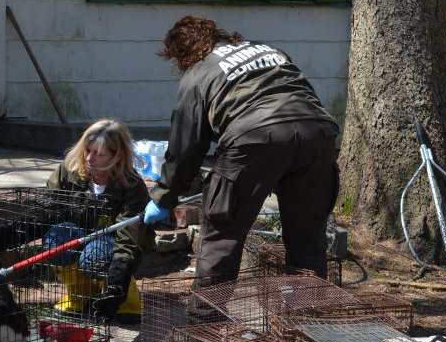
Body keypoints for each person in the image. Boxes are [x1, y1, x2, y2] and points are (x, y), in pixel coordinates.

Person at [143, 16, 340, 287]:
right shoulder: (269, 50)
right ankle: (306, 318)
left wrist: (164, 195)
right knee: (308, 238)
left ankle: (205, 323)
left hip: (254, 137)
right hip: (318, 133)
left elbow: (186, 147)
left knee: (222, 238)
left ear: (182, 53)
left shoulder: (198, 72)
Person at [47, 119, 153, 320]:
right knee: (55, 240)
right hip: (79, 234)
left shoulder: (132, 185)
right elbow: (47, 209)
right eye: (87, 150)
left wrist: (118, 278)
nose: (89, 158)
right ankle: (79, 294)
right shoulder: (69, 172)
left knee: (95, 255)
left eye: (99, 154)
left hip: (114, 243)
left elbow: (129, 237)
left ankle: (124, 299)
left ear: (116, 156)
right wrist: (10, 232)